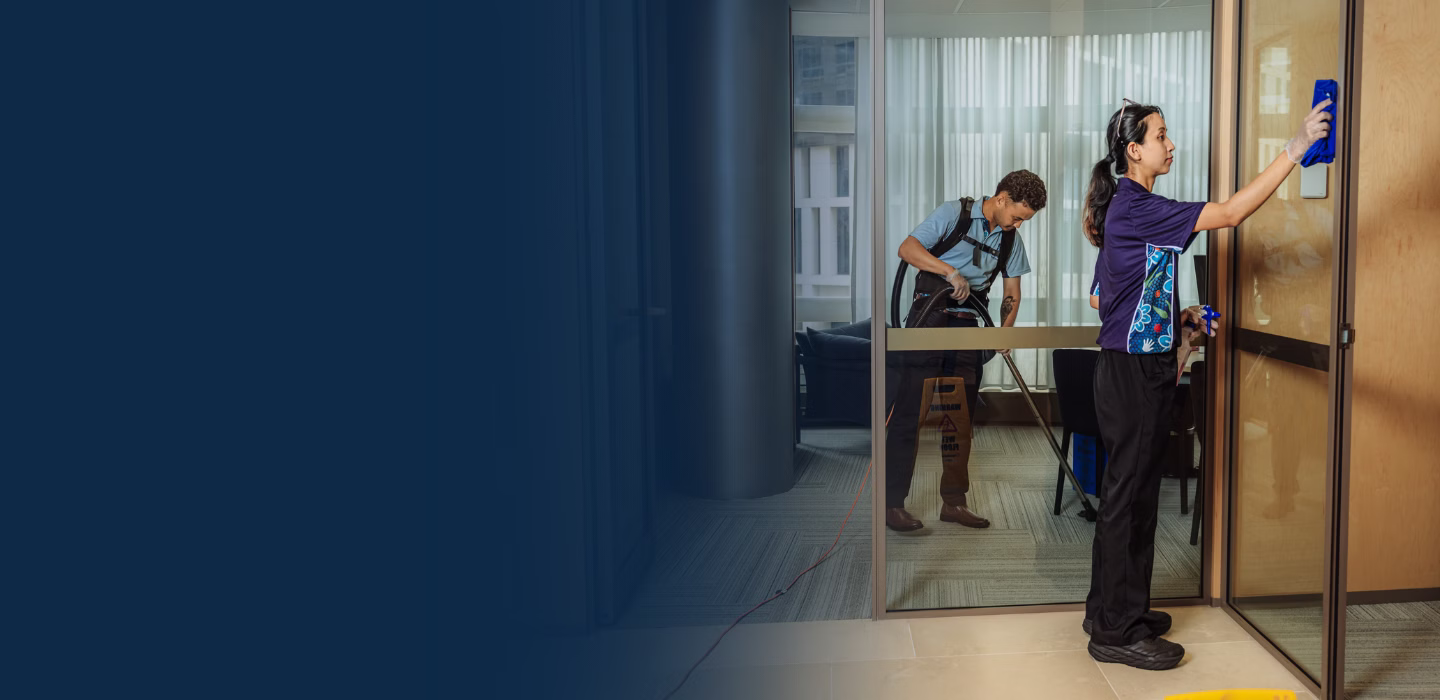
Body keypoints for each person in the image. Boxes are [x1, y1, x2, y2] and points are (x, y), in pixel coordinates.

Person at [1080, 97, 1332, 670]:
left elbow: (1104, 296)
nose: (1172, 145)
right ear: (1133, 149)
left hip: (1128, 365)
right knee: (1128, 498)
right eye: (1162, 136)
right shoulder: (1138, 205)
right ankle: (1116, 632)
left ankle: (1113, 611)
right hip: (1133, 372)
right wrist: (1293, 150)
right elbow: (1231, 213)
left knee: (1132, 495)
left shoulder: (1123, 206)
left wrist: (1181, 321)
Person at [885, 170, 1047, 532]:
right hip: (927, 317)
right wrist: (949, 273)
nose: (1019, 224)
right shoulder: (953, 214)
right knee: (910, 412)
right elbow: (907, 249)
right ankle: (892, 503)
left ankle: (954, 503)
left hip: (967, 325)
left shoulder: (1010, 239)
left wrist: (1004, 333)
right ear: (1002, 198)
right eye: (1018, 215)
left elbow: (1011, 293)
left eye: (1025, 220)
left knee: (959, 418)